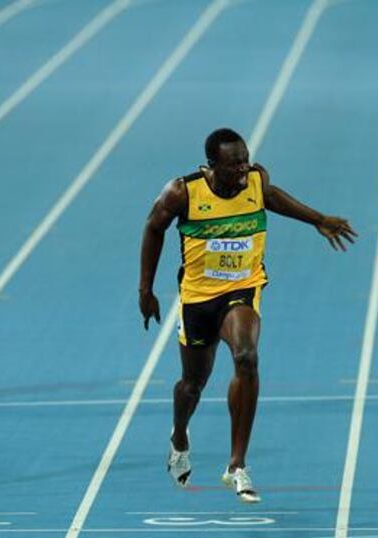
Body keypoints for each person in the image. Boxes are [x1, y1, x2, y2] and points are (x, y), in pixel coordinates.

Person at [139, 128, 358, 503]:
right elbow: (153, 228)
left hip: (241, 288)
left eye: (245, 159)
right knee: (192, 384)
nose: (243, 169)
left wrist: (318, 219)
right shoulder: (183, 192)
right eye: (233, 164)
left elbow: (269, 196)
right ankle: (179, 436)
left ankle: (237, 464)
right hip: (197, 298)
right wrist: (146, 290)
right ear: (212, 166)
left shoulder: (255, 179)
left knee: (246, 357)